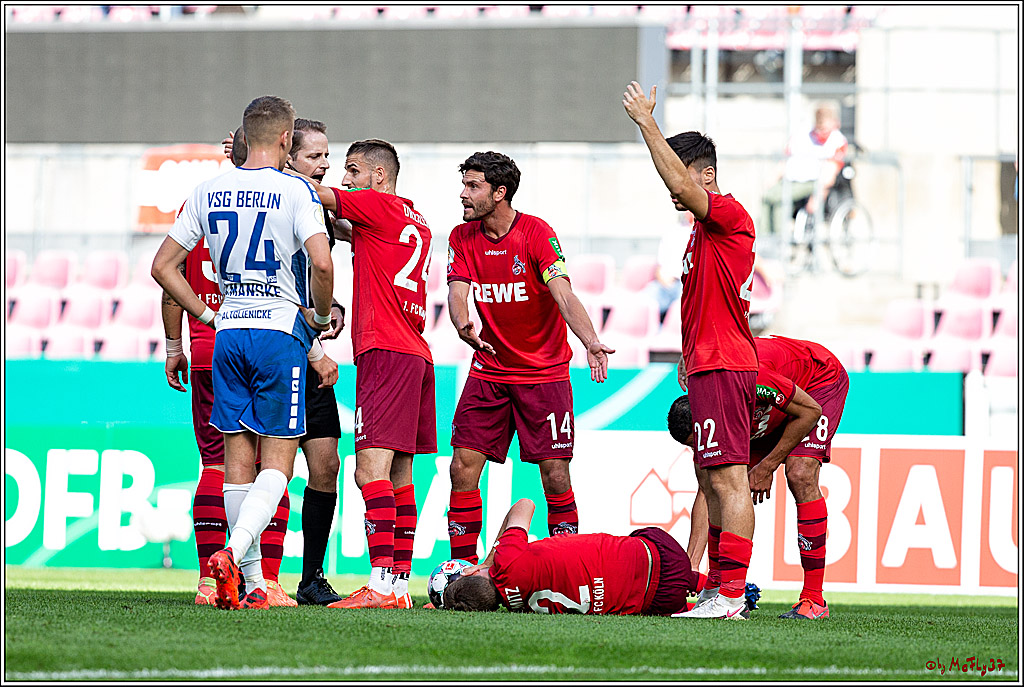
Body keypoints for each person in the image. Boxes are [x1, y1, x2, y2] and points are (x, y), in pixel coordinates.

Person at [152, 95, 335, 610]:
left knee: (234, 463)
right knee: (277, 464)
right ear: (285, 139)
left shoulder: (206, 190)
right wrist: (318, 321)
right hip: (278, 334)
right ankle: (234, 554)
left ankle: (251, 585)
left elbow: (162, 267)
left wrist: (208, 316)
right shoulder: (296, 190)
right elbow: (322, 265)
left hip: (228, 333)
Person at [624, 81, 758, 620]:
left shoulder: (729, 216)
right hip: (706, 362)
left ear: (706, 175)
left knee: (729, 478)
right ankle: (719, 589)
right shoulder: (701, 235)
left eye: (680, 177)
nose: (672, 189)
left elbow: (680, 180)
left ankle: (731, 594)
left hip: (726, 362)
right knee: (710, 478)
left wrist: (646, 122)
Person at [444, 151, 614, 563]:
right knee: (461, 467)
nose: (463, 193)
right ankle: (462, 570)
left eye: (473, 186)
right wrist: (462, 324)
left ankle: (567, 566)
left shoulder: (536, 233)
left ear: (499, 193)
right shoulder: (461, 237)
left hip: (544, 375)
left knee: (555, 476)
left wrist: (591, 340)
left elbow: (563, 294)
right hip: (489, 371)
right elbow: (457, 291)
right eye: (464, 184)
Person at [302, 139, 436, 610]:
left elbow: (317, 196)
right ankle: (398, 585)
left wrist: (260, 164)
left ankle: (379, 583)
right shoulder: (412, 217)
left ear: (379, 175)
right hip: (416, 353)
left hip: (385, 349)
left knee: (368, 472)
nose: (345, 178)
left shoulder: (376, 206)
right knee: (401, 476)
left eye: (353, 170)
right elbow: (339, 226)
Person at [668, 334, 850, 620]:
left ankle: (814, 599)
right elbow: (706, 492)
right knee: (715, 479)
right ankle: (716, 588)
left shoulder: (752, 380)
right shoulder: (706, 401)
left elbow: (809, 411)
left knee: (800, 473)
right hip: (768, 410)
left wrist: (767, 466)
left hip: (816, 382)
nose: (698, 448)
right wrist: (691, 569)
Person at [441, 498, 700, 616]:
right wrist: (489, 559)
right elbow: (525, 504)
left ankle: (700, 606)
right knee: (634, 543)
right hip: (662, 555)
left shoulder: (520, 609)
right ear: (470, 571)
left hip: (657, 603)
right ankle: (706, 585)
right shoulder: (507, 559)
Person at [761, 103, 849, 236]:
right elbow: (785, 161)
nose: (822, 132)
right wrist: (772, 178)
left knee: (778, 199)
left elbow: (829, 174)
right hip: (792, 178)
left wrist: (817, 196)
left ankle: (778, 240)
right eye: (820, 128)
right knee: (767, 197)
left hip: (811, 182)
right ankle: (765, 238)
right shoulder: (802, 134)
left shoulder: (837, 141)